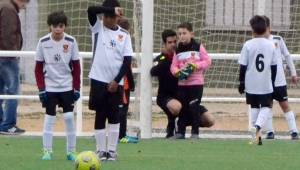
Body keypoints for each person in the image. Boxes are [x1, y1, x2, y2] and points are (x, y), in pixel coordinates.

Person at [87, 0, 133, 161]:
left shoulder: (124, 35)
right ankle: (100, 150)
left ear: (117, 17)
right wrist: (109, 9)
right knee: (100, 114)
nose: (108, 19)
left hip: (116, 82)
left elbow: (127, 60)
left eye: (112, 16)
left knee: (114, 116)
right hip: (98, 79)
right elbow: (91, 10)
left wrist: (116, 80)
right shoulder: (97, 28)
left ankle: (112, 151)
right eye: (106, 16)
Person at [34, 11, 81, 161]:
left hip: (66, 86)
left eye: (61, 26)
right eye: (55, 26)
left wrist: (77, 88)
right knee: (49, 117)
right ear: (50, 27)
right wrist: (41, 88)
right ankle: (47, 151)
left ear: (65, 26)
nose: (58, 29)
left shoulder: (71, 41)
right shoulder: (42, 42)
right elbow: (38, 68)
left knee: (68, 117)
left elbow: (77, 67)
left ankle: (71, 152)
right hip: (50, 87)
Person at [238, 15, 277, 145]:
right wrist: (273, 83)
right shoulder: (271, 45)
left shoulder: (248, 45)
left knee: (254, 106)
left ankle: (256, 137)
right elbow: (274, 66)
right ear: (266, 29)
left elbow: (242, 66)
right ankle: (258, 127)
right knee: (267, 106)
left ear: (252, 30)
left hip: (251, 83)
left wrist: (241, 82)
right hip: (265, 83)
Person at [170, 22, 213, 139]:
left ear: (191, 34)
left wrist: (195, 66)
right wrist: (177, 72)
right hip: (182, 84)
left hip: (196, 84)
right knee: (183, 107)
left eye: (184, 33)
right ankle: (180, 132)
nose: (181, 36)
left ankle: (195, 132)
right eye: (179, 34)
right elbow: (173, 66)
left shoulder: (198, 47)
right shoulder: (178, 49)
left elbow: (208, 61)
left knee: (194, 107)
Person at [262, 16, 299, 140]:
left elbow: (287, 56)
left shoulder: (277, 39)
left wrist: (293, 73)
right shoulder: (257, 42)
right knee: (267, 106)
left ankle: (294, 132)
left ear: (269, 28)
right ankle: (270, 132)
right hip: (265, 82)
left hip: (279, 81)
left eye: (264, 28)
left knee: (285, 105)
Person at [0, 0, 29, 135]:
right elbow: (8, 34)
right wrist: (13, 53)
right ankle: (8, 125)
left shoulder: (5, 6)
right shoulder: (9, 9)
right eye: (25, 4)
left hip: (3, 55)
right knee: (13, 91)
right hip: (7, 57)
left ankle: (2, 122)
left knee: (1, 90)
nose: (24, 7)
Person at [151, 29, 182, 138]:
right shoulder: (161, 59)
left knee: (208, 120)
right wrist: (167, 60)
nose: (173, 44)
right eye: (170, 42)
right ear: (164, 44)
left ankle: (172, 126)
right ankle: (176, 128)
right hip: (164, 97)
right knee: (177, 107)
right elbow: (153, 71)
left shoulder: (181, 57)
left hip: (181, 96)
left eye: (175, 41)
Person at [117, 18, 137, 143]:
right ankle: (122, 135)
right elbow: (127, 66)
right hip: (123, 83)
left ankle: (118, 134)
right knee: (122, 109)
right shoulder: (124, 41)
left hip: (115, 80)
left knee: (118, 109)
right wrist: (132, 82)